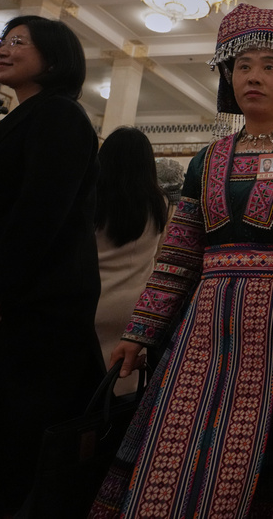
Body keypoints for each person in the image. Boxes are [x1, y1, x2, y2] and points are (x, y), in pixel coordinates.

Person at [90, 4, 273, 518]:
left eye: (269, 66)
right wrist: (140, 330)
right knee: (178, 441)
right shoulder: (205, 159)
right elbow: (178, 256)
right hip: (206, 327)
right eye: (242, 65)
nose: (252, 76)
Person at [0, 15, 105, 517]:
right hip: (6, 296)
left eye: (18, 41)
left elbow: (40, 212)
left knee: (9, 439)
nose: (3, 49)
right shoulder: (25, 117)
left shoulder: (60, 116)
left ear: (55, 58)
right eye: (2, 40)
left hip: (32, 306)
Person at [93, 127, 169, 395]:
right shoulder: (158, 203)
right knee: (122, 381)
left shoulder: (91, 199)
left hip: (91, 299)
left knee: (83, 389)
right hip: (135, 307)